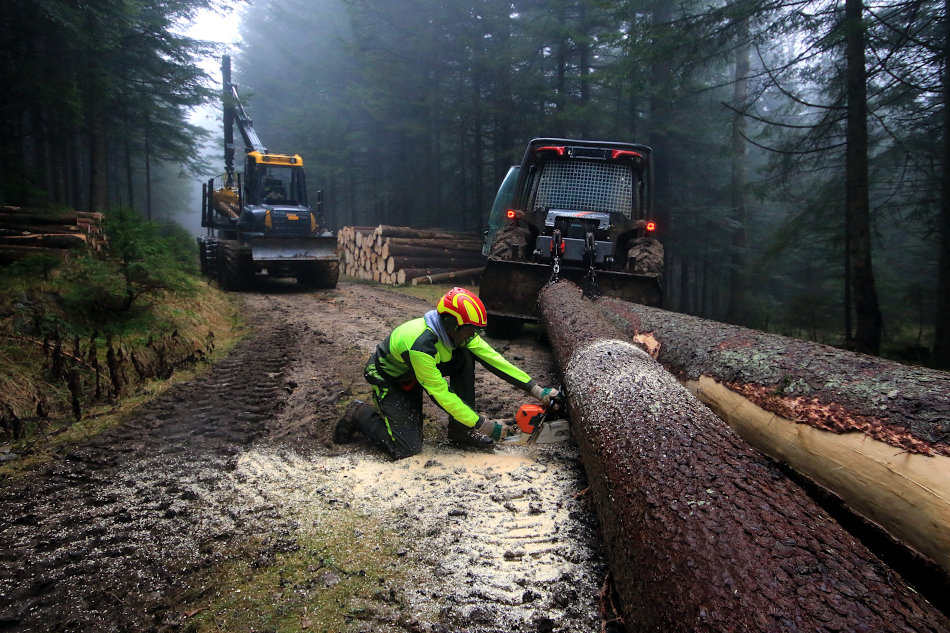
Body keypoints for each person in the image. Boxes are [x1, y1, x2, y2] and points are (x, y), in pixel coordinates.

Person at [333, 287, 559, 459]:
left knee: (467, 355)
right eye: (470, 330)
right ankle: (359, 412)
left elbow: (495, 359)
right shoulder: (421, 344)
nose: (473, 336)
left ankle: (460, 432)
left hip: (417, 373)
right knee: (406, 448)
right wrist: (483, 424)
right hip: (392, 380)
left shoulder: (459, 333)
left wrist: (537, 390)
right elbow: (440, 394)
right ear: (452, 324)